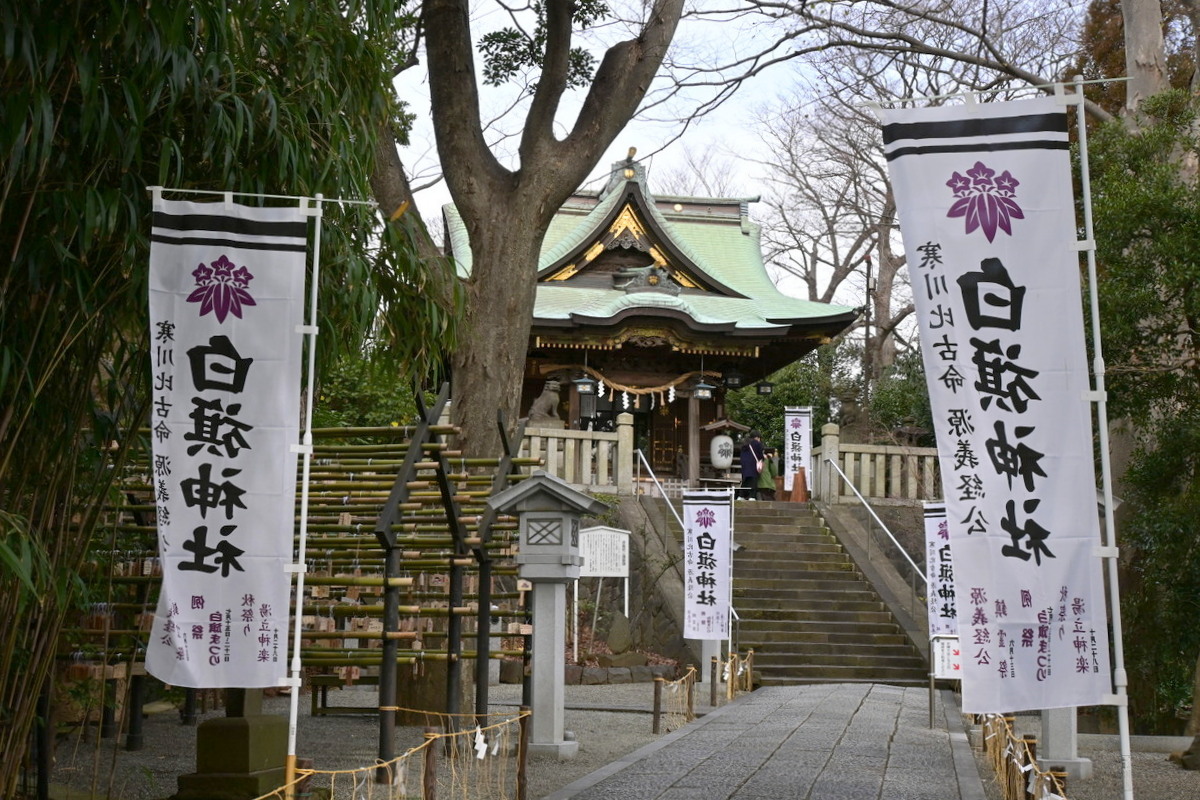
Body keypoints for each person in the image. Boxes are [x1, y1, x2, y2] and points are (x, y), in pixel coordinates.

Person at [739, 430, 764, 500]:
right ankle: (752, 496)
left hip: (744, 465)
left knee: (745, 480)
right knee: (753, 480)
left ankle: (741, 496)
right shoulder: (757, 443)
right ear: (757, 437)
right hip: (753, 465)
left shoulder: (744, 444)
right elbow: (760, 455)